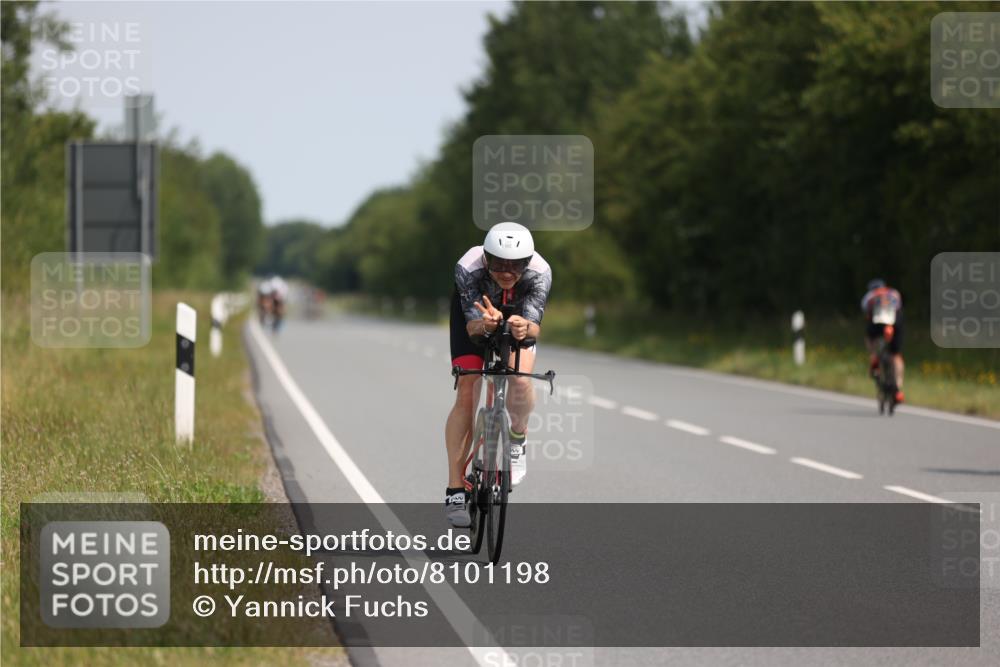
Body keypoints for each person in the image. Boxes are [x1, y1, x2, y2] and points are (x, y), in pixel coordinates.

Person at [444, 222, 552, 527]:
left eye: (516, 265)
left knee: (519, 378)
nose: (507, 272)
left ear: (527, 262)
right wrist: (485, 324)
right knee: (467, 390)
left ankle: (517, 436)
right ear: (486, 258)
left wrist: (524, 327)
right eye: (499, 264)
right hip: (477, 316)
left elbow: (534, 329)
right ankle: (455, 489)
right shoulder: (468, 267)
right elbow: (472, 328)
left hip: (520, 314)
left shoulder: (540, 272)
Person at [861, 278, 904, 404]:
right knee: (896, 356)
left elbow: (866, 311)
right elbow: (899, 308)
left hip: (877, 322)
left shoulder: (869, 296)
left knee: (869, 338)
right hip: (894, 323)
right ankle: (898, 389)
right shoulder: (893, 293)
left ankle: (874, 356)